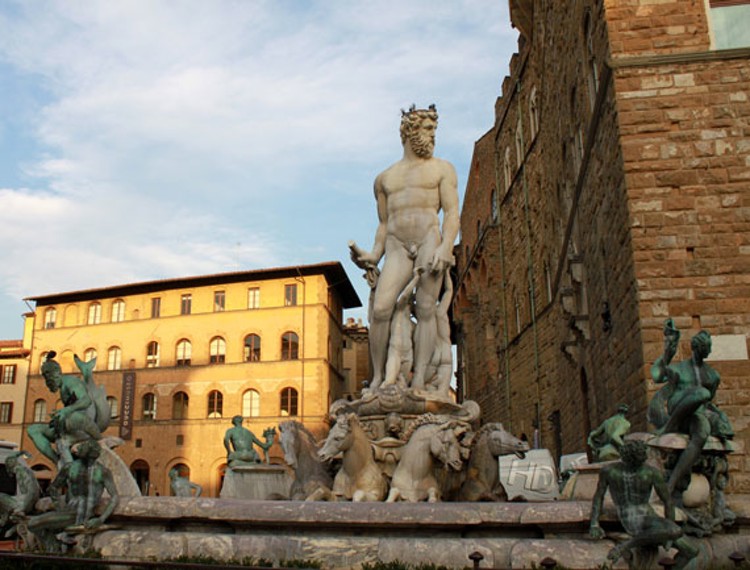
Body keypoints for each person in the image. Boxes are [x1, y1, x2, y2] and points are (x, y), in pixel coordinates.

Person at [350, 105, 459, 393]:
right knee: (382, 308)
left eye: (434, 130)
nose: (432, 135)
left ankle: (420, 379)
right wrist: (373, 255)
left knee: (425, 308)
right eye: (427, 129)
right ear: (409, 132)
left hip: (429, 241)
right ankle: (376, 379)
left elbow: (451, 213)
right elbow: (384, 225)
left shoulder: (442, 169)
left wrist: (446, 246)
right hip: (397, 246)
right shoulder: (385, 179)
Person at [649, 320, 733, 494]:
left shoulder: (712, 375)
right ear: (698, 347)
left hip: (697, 416)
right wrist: (667, 351)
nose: (709, 351)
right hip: (678, 411)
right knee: (701, 393)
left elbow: (709, 402)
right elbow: (657, 375)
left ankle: (671, 484)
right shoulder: (679, 369)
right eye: (707, 347)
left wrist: (719, 416)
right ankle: (669, 426)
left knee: (702, 430)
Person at [590, 440, 697, 569]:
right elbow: (598, 496)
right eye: (633, 462)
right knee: (675, 530)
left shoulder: (651, 473)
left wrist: (668, 534)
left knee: (691, 550)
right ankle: (624, 546)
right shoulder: (609, 471)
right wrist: (594, 524)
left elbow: (668, 502)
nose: (637, 465)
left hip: (649, 518)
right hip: (631, 519)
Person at [27, 440, 119, 549]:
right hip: (70, 512)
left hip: (84, 514)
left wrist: (101, 519)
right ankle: (53, 545)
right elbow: (53, 487)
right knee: (32, 524)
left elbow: (114, 497)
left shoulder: (102, 471)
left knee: (33, 523)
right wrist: (58, 506)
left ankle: (53, 547)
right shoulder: (70, 468)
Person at [28, 352, 104, 466]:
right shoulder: (62, 387)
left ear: (57, 373)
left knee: (71, 418)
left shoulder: (71, 382)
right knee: (33, 430)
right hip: (69, 427)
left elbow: (86, 400)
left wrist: (66, 410)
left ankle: (100, 440)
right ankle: (57, 461)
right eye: (46, 378)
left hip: (82, 424)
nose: (48, 382)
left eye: (49, 377)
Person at [0, 451, 40, 528]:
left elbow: (32, 491)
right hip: (25, 501)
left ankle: (4, 520)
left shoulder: (20, 470)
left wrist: (23, 507)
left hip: (25, 502)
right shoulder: (22, 469)